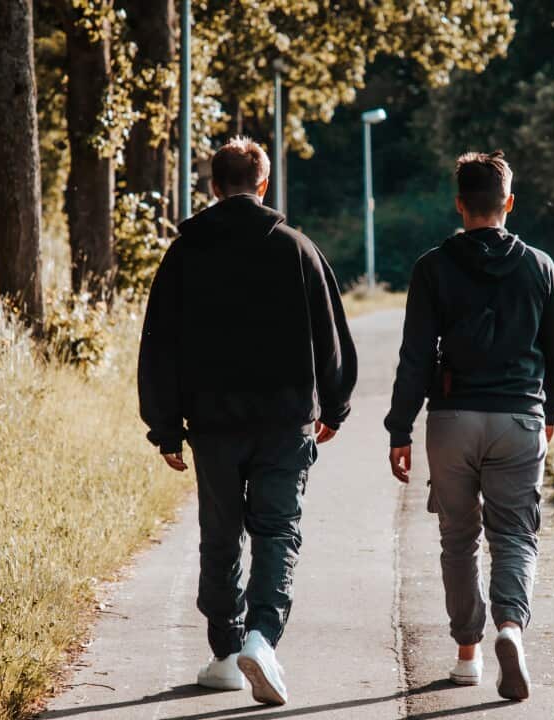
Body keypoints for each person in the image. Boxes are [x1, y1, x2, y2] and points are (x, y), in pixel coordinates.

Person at [137, 136, 357, 706]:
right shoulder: (296, 248)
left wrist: (164, 426)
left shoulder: (184, 254)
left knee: (220, 534)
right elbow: (330, 337)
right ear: (263, 184)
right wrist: (334, 407)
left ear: (214, 186)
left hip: (212, 423)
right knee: (278, 530)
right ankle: (263, 636)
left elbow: (158, 343)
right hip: (284, 422)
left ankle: (225, 652)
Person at [384, 150, 554, 701]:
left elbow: (414, 357)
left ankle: (467, 655)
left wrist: (399, 430)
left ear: (460, 204)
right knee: (514, 535)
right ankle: (510, 627)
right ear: (508, 203)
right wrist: (549, 415)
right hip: (518, 417)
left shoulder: (432, 267)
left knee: (458, 540)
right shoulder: (541, 267)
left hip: (452, 421)